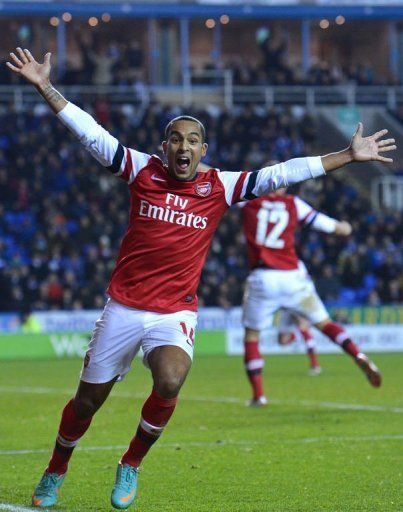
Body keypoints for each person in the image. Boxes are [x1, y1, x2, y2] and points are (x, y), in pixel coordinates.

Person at [6, 47, 396, 509]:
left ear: (203, 150)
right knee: (88, 403)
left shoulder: (221, 187)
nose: (184, 147)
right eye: (176, 139)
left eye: (193, 140)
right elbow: (91, 132)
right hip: (124, 306)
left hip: (174, 312)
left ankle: (130, 462)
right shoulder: (140, 169)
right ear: (164, 145)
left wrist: (347, 156)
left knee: (171, 380)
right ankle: (56, 468)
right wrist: (45, 87)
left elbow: (283, 173)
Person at [241, 188, 382, 407]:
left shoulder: (247, 200)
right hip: (293, 277)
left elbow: (217, 178)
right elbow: (331, 226)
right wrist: (345, 227)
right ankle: (357, 354)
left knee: (252, 336)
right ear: (282, 185)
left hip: (263, 279)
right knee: (325, 324)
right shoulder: (293, 204)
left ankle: (259, 395)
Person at [276, 309, 322, 375]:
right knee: (282, 342)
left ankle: (315, 365)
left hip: (296, 304)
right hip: (286, 309)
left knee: (302, 326)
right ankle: (298, 336)